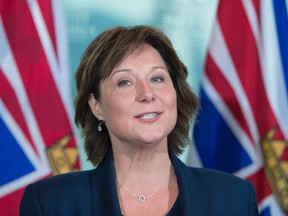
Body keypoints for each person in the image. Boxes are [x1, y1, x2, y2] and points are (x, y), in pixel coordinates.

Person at [20, 25, 259, 216]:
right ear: (97, 106)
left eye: (157, 78)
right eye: (125, 82)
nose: (147, 93)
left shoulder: (234, 198)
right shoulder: (51, 203)